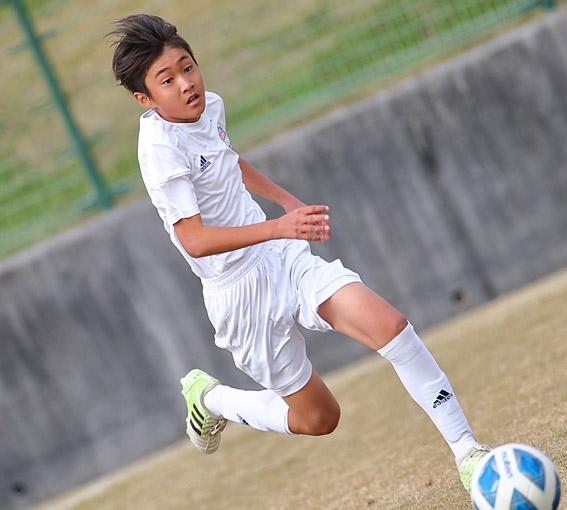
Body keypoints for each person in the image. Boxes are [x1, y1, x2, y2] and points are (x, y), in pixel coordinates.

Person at [108, 13, 490, 491]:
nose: (187, 83)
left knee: (390, 326)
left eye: (188, 67)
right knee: (319, 418)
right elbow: (194, 240)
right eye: (167, 80)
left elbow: (226, 161)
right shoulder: (159, 152)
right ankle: (211, 399)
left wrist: (285, 201)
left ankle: (468, 453)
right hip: (237, 295)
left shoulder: (210, 107)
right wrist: (278, 225)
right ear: (144, 99)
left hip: (279, 257)